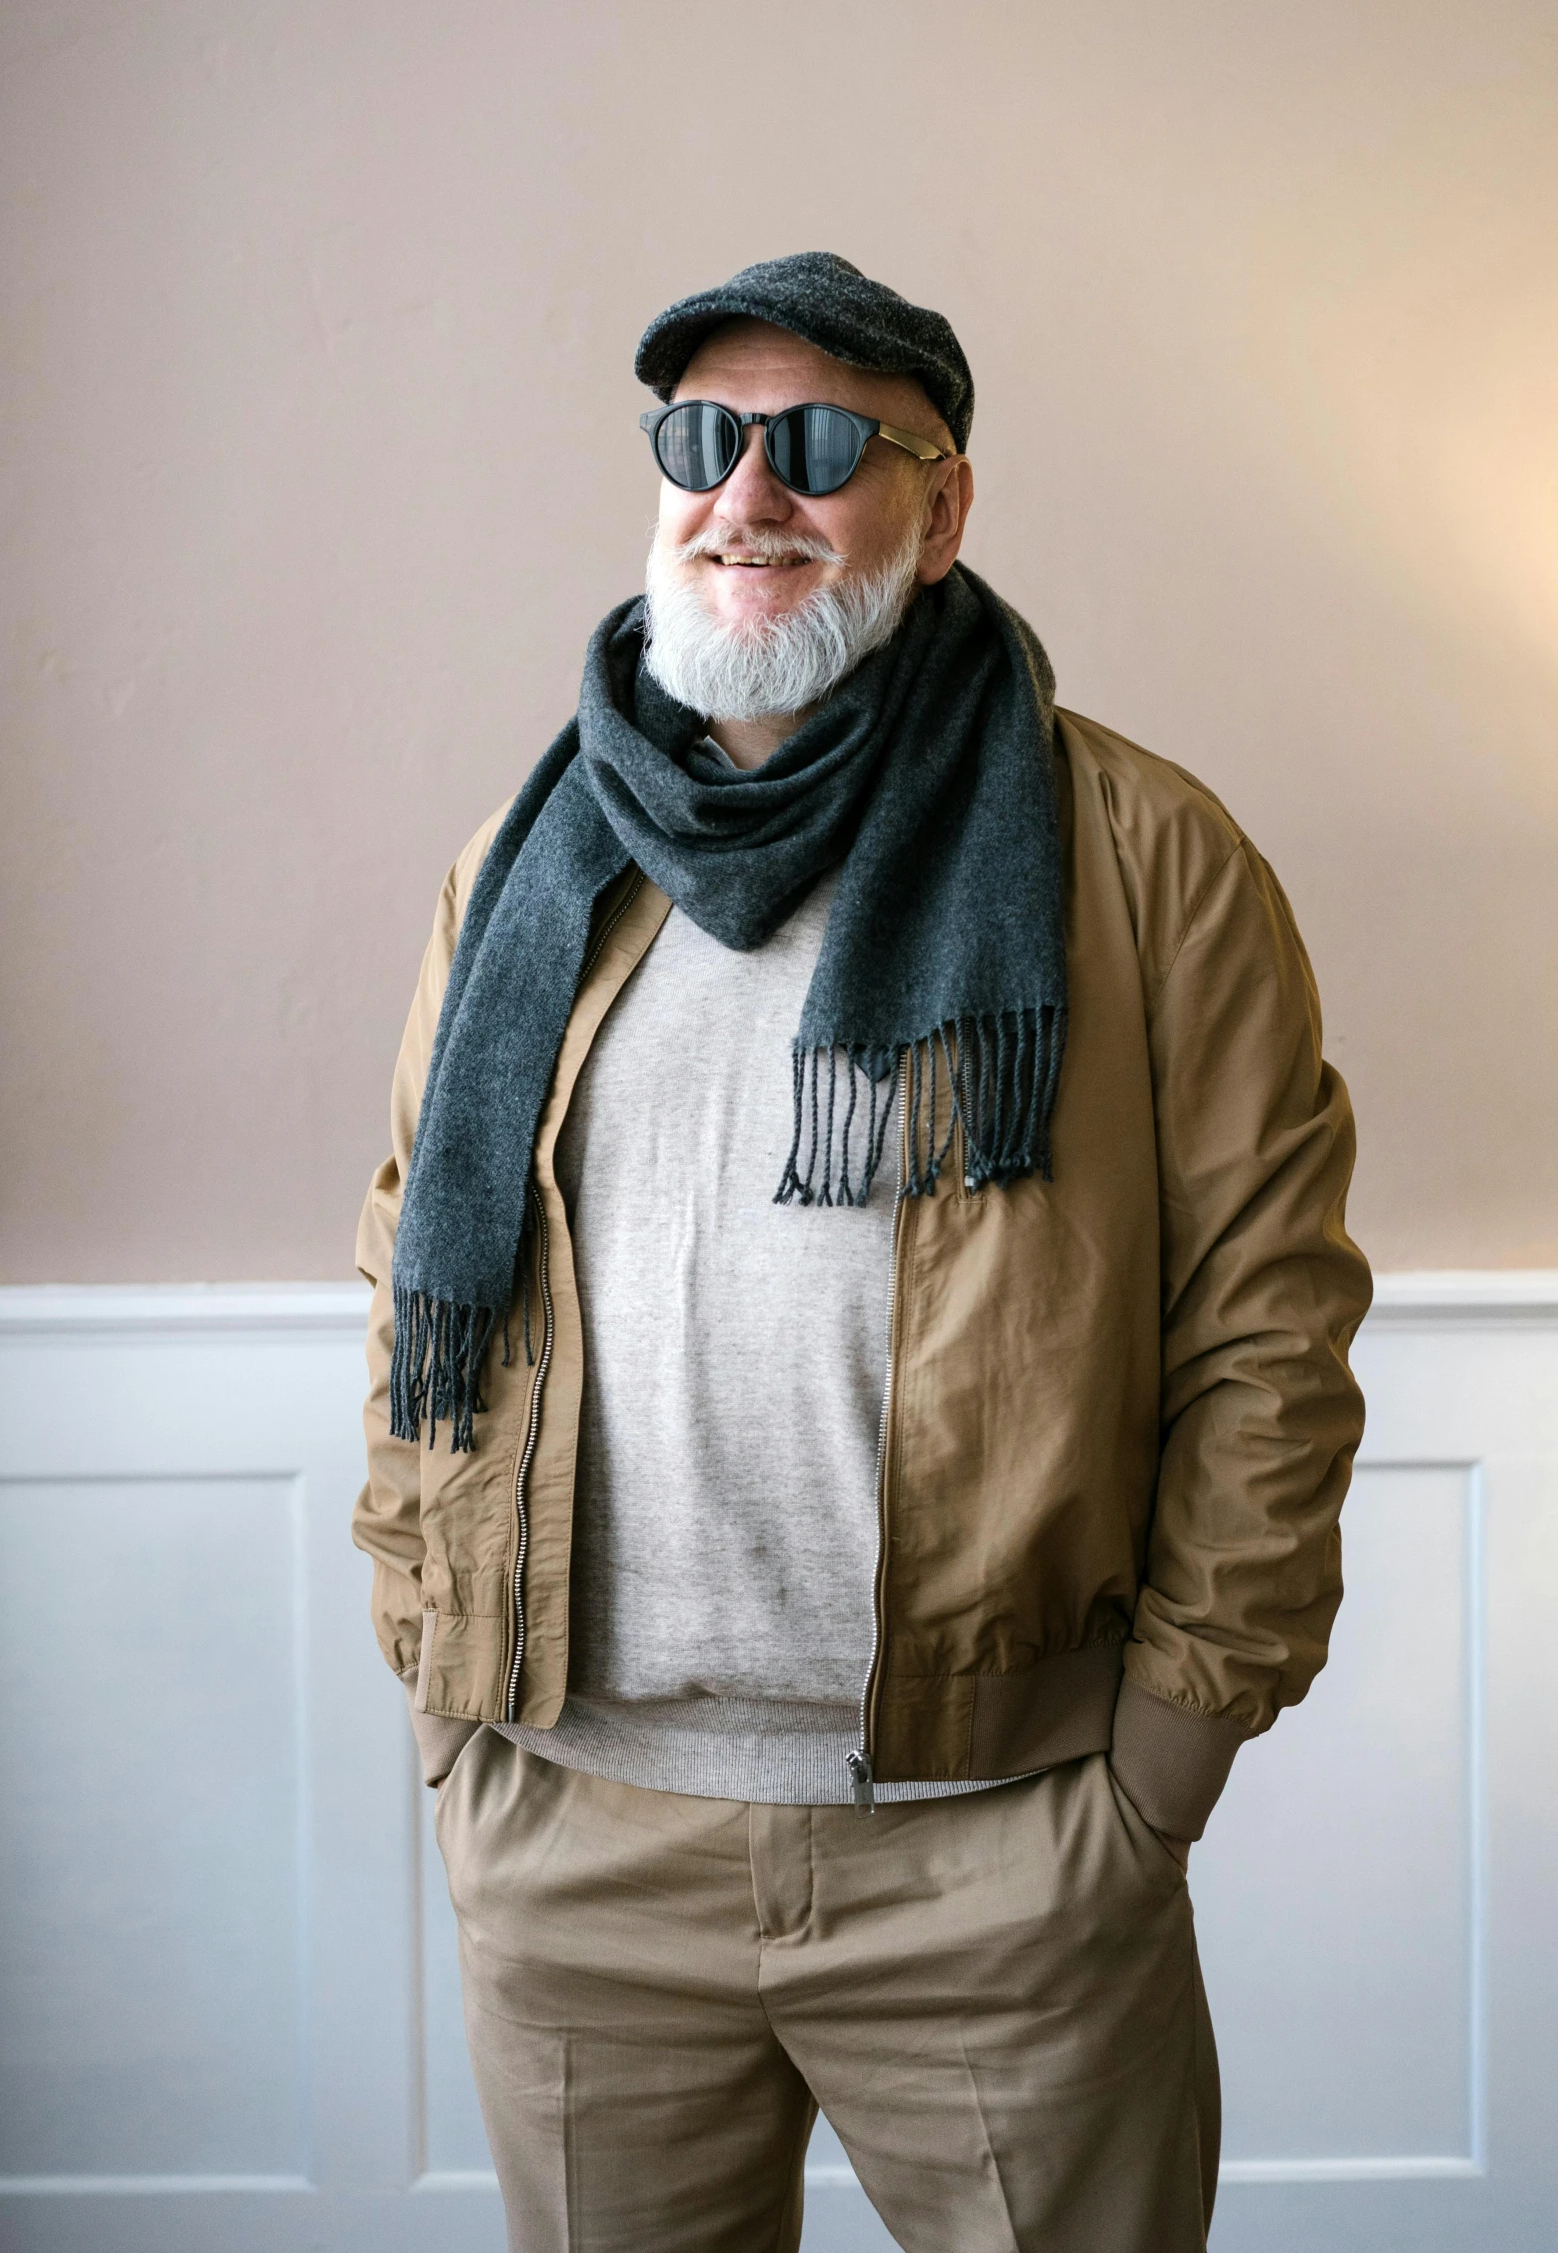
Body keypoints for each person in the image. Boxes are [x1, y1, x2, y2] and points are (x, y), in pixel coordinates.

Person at [352, 250, 1370, 2253]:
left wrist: (1153, 1774)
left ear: (941, 499)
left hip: (998, 1850)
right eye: (701, 438)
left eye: (820, 443)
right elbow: (413, 1267)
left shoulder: (1138, 854)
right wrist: (444, 1706)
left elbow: (1269, 1326)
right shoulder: (521, 863)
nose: (748, 493)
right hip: (574, 1835)